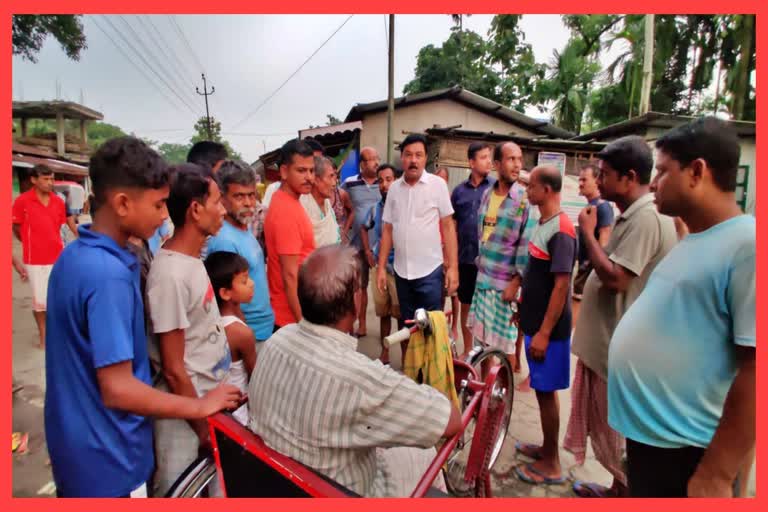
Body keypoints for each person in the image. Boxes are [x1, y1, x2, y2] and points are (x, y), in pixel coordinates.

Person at [44, 137, 241, 498]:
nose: (165, 214)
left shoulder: (76, 257)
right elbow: (118, 388)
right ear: (122, 204)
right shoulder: (108, 275)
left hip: (78, 448)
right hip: (109, 458)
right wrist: (198, 406)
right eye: (158, 204)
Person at [608, 117, 755, 498]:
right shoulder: (698, 237)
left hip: (690, 455)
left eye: (662, 171)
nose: (653, 183)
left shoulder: (748, 245)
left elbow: (758, 367)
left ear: (697, 172)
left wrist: (718, 472)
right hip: (656, 443)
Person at [248, 245, 462, 496]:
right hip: (346, 491)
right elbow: (450, 422)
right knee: (424, 451)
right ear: (358, 299)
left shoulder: (275, 342)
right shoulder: (361, 380)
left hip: (276, 482)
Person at [563, 136, 677, 498]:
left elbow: (615, 278)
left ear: (629, 177)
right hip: (609, 347)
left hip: (621, 353)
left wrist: (587, 234)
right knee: (610, 434)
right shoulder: (635, 215)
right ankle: (617, 490)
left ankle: (625, 492)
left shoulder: (647, 219)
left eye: (605, 174)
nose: (600, 180)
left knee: (619, 438)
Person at [146, 164, 235, 497]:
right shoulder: (170, 275)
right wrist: (202, 430)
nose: (223, 209)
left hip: (206, 405)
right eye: (217, 201)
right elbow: (173, 368)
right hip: (186, 419)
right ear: (196, 210)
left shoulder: (192, 259)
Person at [514, 165, 577, 486]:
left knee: (546, 392)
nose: (528, 190)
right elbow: (536, 276)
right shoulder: (543, 223)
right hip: (536, 324)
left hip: (549, 332)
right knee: (541, 391)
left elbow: (561, 287)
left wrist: (543, 332)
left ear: (548, 191)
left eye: (532, 186)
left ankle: (552, 463)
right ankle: (546, 447)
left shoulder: (562, 230)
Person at [377, 134, 458, 354]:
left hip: (430, 273)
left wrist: (453, 268)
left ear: (425, 159)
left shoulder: (437, 185)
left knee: (431, 329)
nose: (413, 160)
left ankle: (432, 382)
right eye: (409, 155)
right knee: (407, 328)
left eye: (419, 155)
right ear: (401, 158)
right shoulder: (394, 189)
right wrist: (381, 268)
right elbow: (387, 230)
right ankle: (410, 375)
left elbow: (448, 227)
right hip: (402, 273)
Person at [466, 142, 530, 371]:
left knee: (506, 350)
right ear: (497, 164)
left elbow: (526, 245)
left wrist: (516, 282)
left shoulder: (524, 199)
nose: (517, 165)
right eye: (511, 159)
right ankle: (485, 396)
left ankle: (503, 400)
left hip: (506, 287)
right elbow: (481, 235)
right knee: (483, 347)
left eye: (519, 159)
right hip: (483, 282)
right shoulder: (486, 195)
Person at [206, 160, 275, 346]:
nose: (248, 203)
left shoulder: (243, 230)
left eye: (251, 195)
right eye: (239, 196)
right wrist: (243, 340)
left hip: (262, 329)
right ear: (222, 198)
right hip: (250, 334)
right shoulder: (225, 240)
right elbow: (230, 301)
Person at [12, 164, 76, 348]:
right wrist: (30, 243)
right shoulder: (22, 201)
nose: (50, 183)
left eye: (52, 179)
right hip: (35, 259)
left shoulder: (58, 201)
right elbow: (16, 228)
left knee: (59, 297)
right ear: (34, 180)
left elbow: (61, 227)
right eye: (46, 179)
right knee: (40, 302)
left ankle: (59, 333)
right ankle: (43, 335)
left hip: (57, 256)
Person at [263, 139, 316, 329]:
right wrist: (303, 325)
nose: (309, 177)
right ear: (284, 172)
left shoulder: (289, 201)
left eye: (311, 170)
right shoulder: (286, 211)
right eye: (301, 171)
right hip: (289, 317)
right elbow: (289, 276)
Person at [452, 142, 495, 355]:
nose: (488, 161)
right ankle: (469, 350)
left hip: (489, 262)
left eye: (490, 156)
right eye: (483, 157)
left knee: (487, 310)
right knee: (466, 305)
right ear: (471, 162)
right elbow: (452, 224)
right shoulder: (459, 191)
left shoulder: (496, 188)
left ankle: (486, 354)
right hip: (464, 259)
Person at [205, 251, 257, 426]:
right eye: (243, 281)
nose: (251, 284)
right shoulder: (240, 333)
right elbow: (255, 377)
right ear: (225, 293)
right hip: (239, 414)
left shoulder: (212, 321)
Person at [341, 146, 382, 337]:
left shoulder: (385, 182)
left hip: (382, 245)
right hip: (357, 244)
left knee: (384, 290)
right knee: (359, 286)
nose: (375, 163)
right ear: (362, 164)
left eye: (377, 158)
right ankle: (361, 324)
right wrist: (343, 230)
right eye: (371, 159)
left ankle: (385, 331)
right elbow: (340, 203)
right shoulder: (349, 183)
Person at [360, 164, 398, 364]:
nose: (385, 185)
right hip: (380, 268)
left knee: (401, 315)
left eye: (389, 179)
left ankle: (407, 352)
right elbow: (363, 228)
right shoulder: (375, 209)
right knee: (384, 313)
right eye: (381, 181)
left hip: (400, 269)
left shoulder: (403, 207)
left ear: (396, 180)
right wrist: (368, 251)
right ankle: (385, 352)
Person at [573, 164, 614, 300]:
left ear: (597, 180)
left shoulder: (602, 207)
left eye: (584, 180)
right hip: (584, 271)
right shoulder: (592, 205)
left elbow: (604, 243)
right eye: (580, 180)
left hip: (590, 275)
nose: (580, 183)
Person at [300, 156, 342, 247]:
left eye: (334, 177)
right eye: (330, 176)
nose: (334, 183)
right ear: (316, 180)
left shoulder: (327, 204)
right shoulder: (302, 207)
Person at [330, 160, 354, 244]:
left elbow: (351, 212)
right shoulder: (310, 197)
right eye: (330, 175)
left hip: (339, 241)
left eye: (334, 174)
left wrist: (345, 230)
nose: (333, 179)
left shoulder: (341, 194)